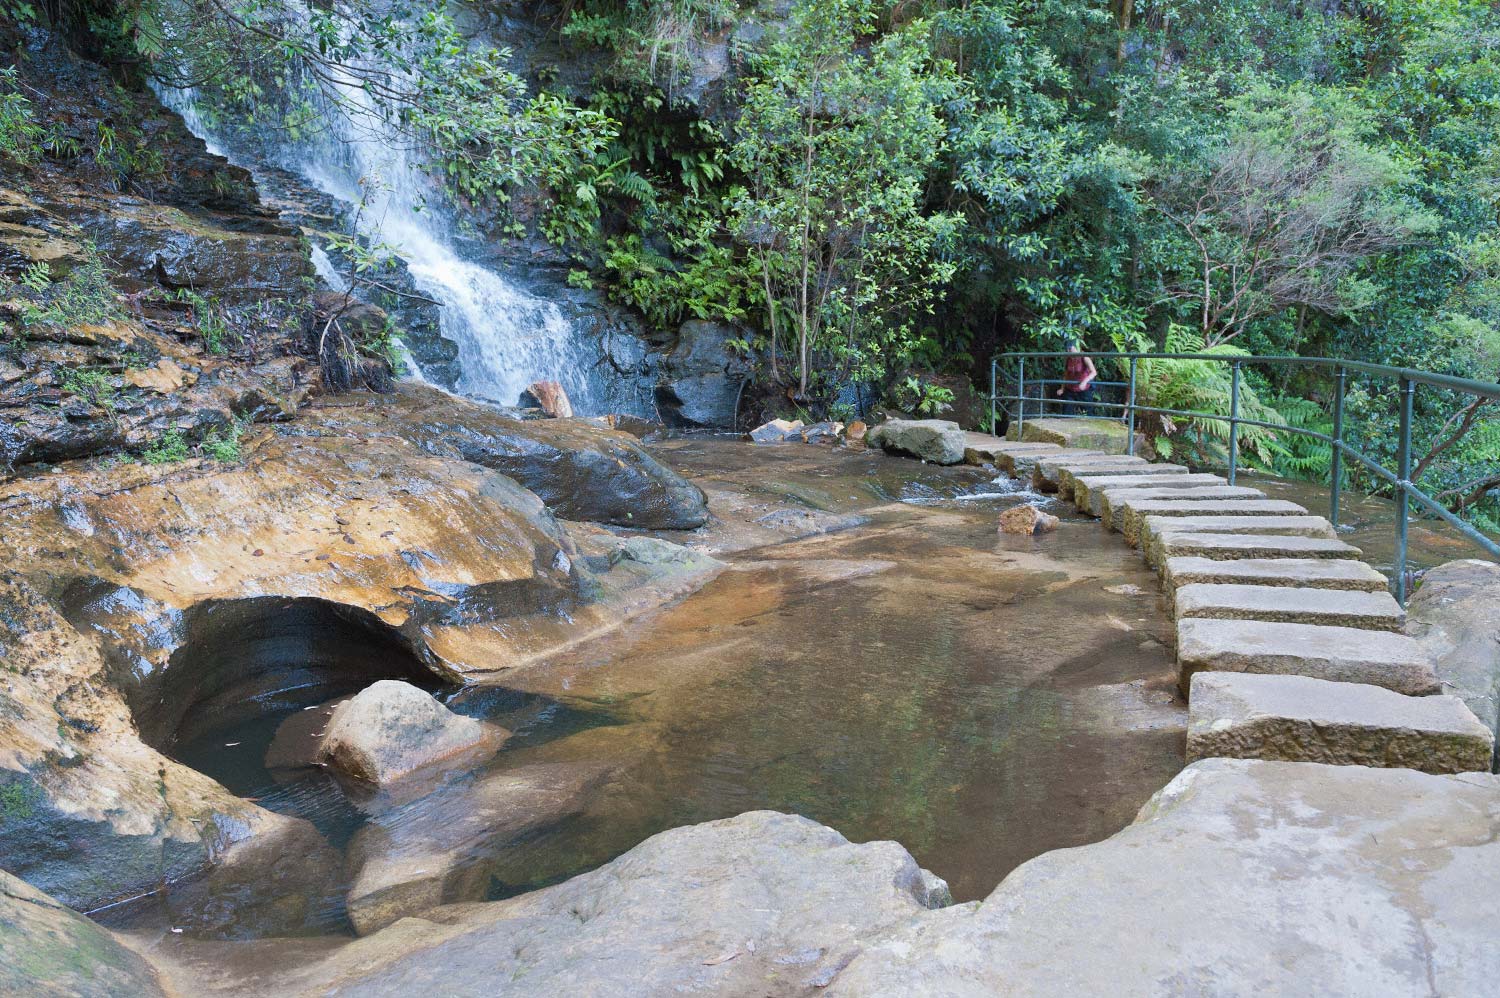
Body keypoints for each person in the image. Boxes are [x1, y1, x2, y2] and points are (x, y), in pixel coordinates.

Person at [1054, 341, 1097, 415]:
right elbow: (1066, 374)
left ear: (1076, 348)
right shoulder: (1068, 359)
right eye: (1067, 349)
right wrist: (1062, 388)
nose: (1068, 351)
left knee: (1088, 413)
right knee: (1066, 412)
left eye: (1070, 349)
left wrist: (1084, 381)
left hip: (1083, 390)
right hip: (1070, 389)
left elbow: (1094, 372)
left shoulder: (1085, 357)